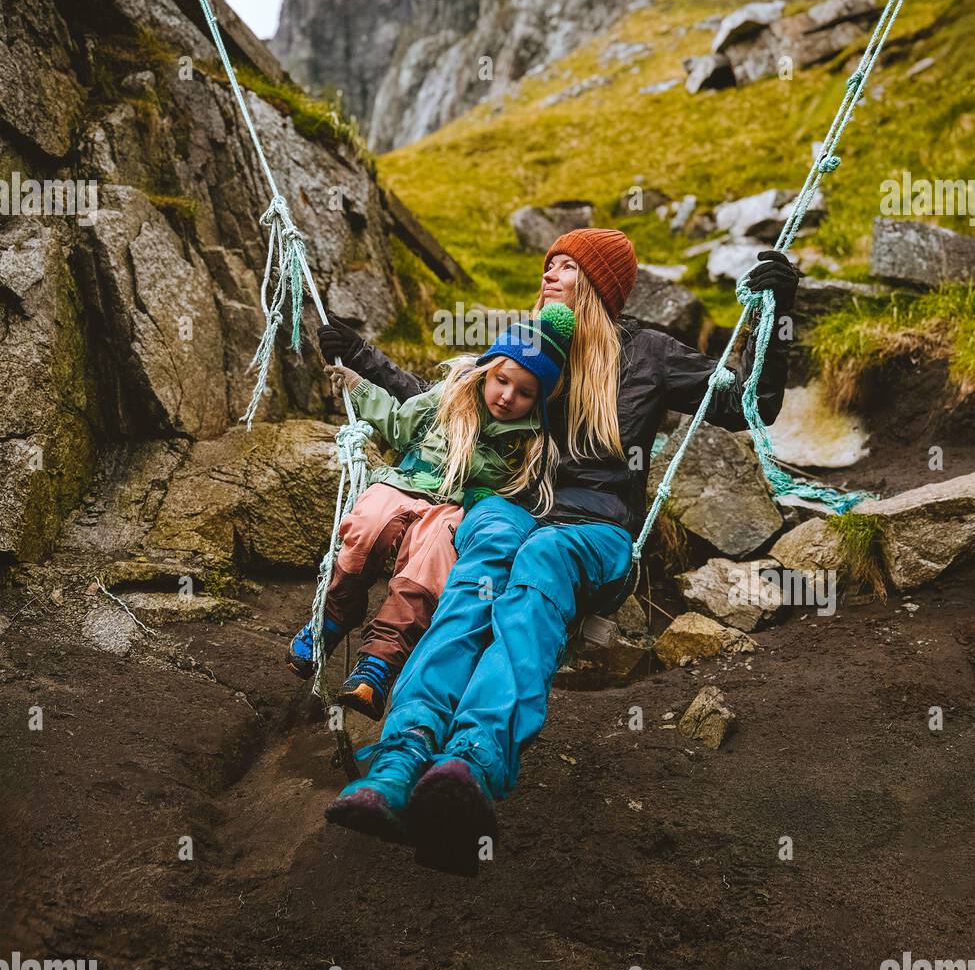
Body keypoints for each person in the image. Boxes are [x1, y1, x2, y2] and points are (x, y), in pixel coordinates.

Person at [320, 230, 799, 874]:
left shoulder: (648, 353)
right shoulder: (532, 348)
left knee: (540, 561)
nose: (550, 275)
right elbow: (446, 402)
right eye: (549, 264)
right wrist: (359, 356)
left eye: (568, 267)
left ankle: (472, 762)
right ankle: (399, 761)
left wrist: (778, 314)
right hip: (516, 508)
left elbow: (754, 404)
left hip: (596, 531)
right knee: (481, 559)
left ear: (599, 286)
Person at [286, 302, 575, 720]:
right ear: (487, 368)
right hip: (403, 484)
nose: (508, 396)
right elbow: (399, 425)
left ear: (539, 399)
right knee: (369, 521)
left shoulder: (528, 444)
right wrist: (359, 388)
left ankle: (379, 662)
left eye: (525, 392)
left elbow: (513, 497)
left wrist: (475, 502)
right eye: (502, 381)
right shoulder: (449, 398)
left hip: (451, 506)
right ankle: (333, 615)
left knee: (432, 558)